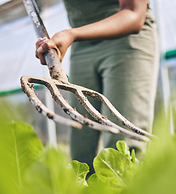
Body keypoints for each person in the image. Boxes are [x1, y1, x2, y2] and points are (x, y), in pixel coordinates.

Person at [36, 0, 159, 175]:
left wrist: (71, 34)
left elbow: (133, 14)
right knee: (81, 152)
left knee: (122, 147)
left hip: (126, 38)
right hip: (81, 44)